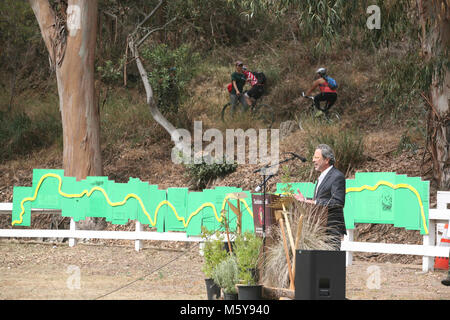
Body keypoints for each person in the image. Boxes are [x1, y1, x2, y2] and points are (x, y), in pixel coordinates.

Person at [293, 144, 346, 249]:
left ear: (327, 160)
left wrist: (315, 202)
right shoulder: (322, 176)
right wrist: (305, 200)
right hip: (319, 228)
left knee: (330, 263)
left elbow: (338, 202)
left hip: (331, 228)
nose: (313, 160)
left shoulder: (337, 176)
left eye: (316, 157)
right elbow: (321, 199)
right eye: (313, 157)